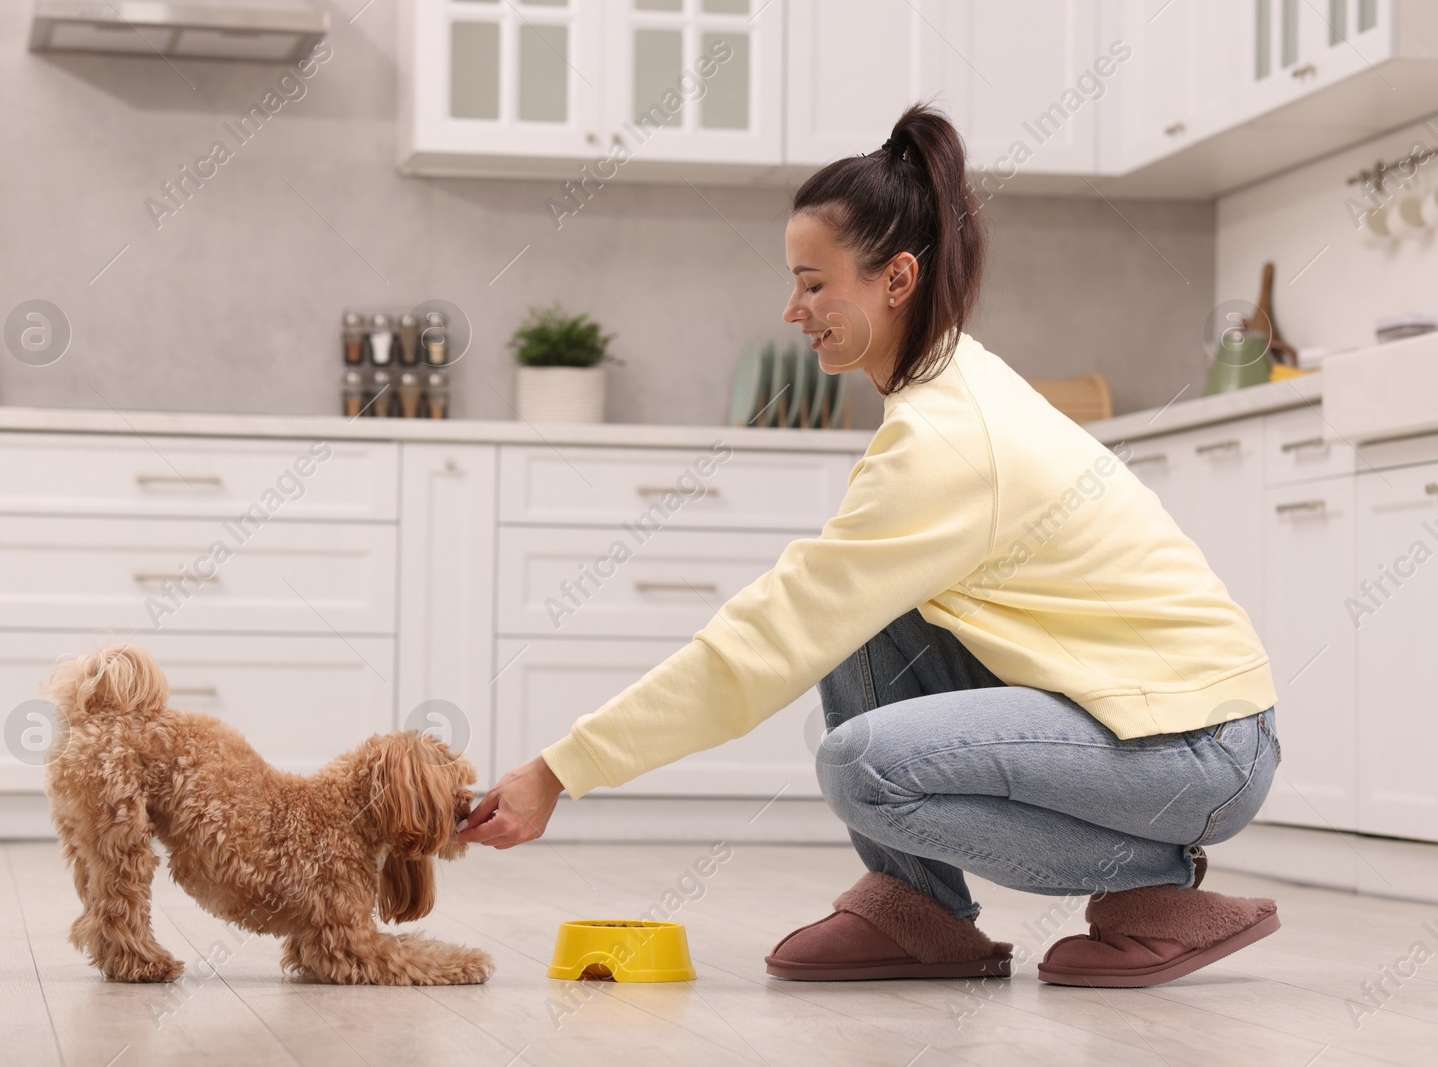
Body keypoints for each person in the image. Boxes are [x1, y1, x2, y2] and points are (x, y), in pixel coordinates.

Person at [458, 104, 1282, 988]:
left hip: (1198, 746)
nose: (792, 308)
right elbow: (811, 619)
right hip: (1135, 712)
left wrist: (560, 769)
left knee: (865, 766)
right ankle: (920, 909)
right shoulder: (944, 378)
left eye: (813, 283)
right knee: (859, 624)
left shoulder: (945, 441)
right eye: (793, 281)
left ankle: (1156, 893)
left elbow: (765, 643)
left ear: (896, 278)